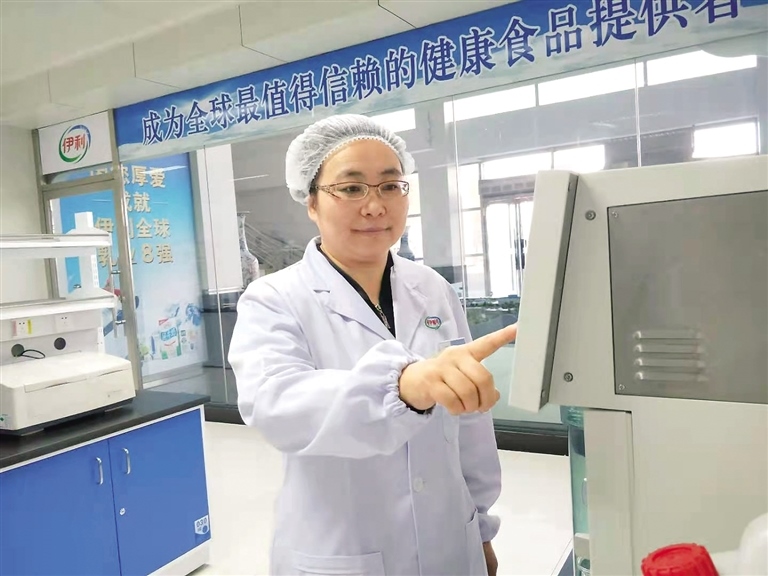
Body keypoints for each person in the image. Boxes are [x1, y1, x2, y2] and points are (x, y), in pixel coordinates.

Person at [229, 114, 517, 576]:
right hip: (344, 548)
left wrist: (481, 526)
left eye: (390, 186)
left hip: (450, 537)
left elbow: (470, 424)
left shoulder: (432, 287)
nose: (375, 206)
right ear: (311, 201)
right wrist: (401, 387)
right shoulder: (274, 298)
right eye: (351, 188)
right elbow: (275, 405)